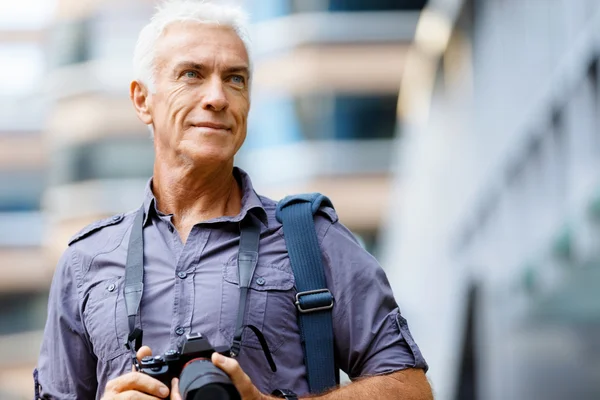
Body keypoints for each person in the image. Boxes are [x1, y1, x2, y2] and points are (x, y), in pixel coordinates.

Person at [35, 1, 433, 399]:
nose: (217, 97)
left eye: (235, 79)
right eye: (192, 74)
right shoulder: (85, 262)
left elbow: (412, 390)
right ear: (143, 100)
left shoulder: (312, 240)